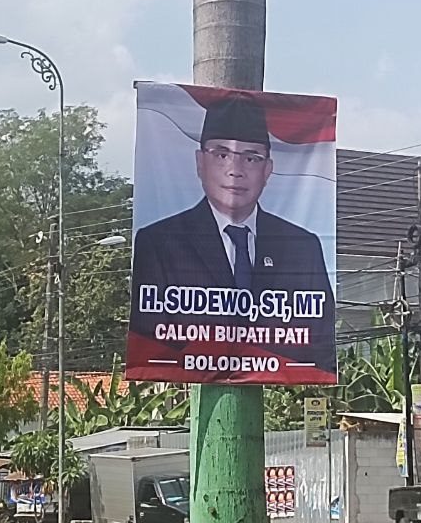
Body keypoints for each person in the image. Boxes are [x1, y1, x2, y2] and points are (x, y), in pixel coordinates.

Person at [131, 94, 336, 373]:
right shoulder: (159, 242)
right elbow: (151, 342)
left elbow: (319, 344)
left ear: (268, 170)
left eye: (251, 158)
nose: (235, 171)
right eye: (221, 155)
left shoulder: (302, 246)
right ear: (200, 163)